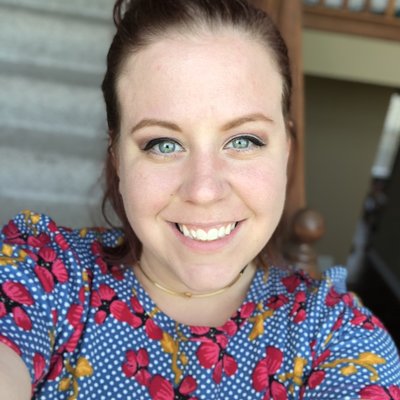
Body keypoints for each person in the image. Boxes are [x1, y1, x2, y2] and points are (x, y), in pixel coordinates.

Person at [0, 0, 399, 398]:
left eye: (244, 140)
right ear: (118, 157)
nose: (204, 191)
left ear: (286, 152)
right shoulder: (41, 275)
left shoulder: (337, 338)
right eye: (163, 144)